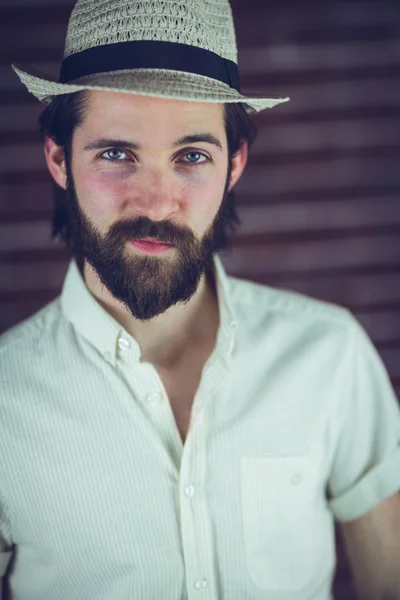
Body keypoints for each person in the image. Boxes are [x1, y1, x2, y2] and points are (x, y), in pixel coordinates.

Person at [1, 1, 399, 599]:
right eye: (116, 153)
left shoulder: (330, 356)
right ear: (60, 159)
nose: (157, 203)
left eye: (192, 157)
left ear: (234, 164)